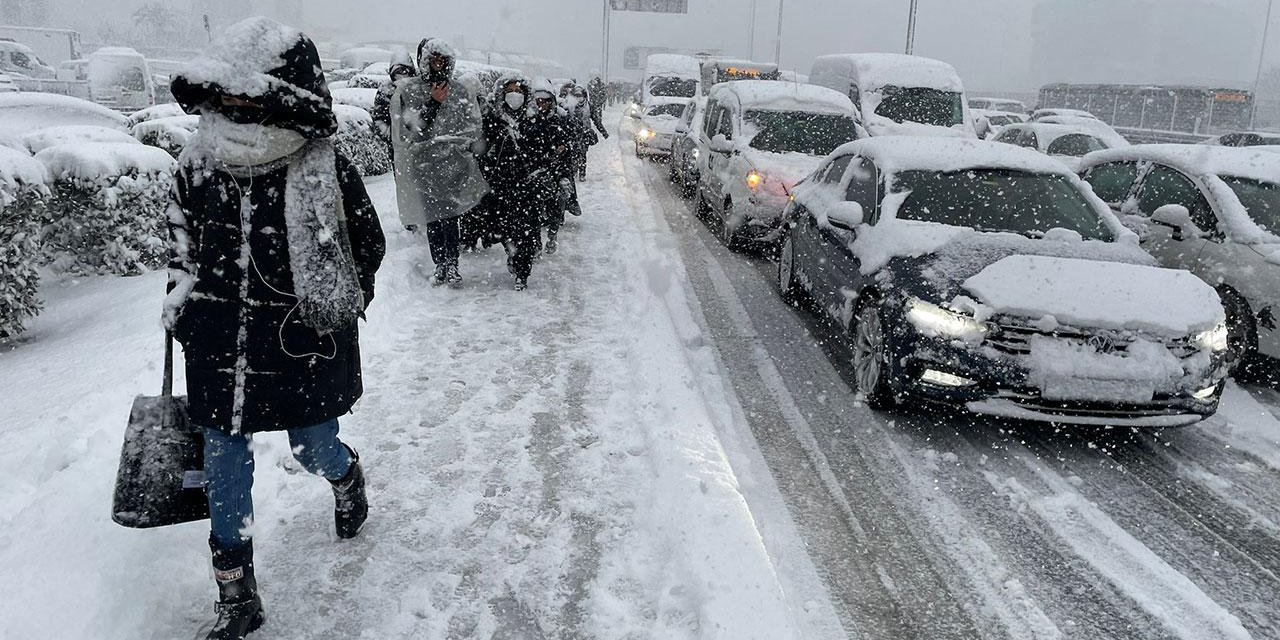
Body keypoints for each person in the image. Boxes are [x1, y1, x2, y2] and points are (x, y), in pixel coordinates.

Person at [165, 17, 386, 640]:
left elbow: (365, 244)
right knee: (224, 464)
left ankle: (345, 476)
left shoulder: (320, 167)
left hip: (300, 341)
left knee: (311, 446)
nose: (234, 107)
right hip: (219, 343)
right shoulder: (199, 162)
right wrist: (183, 300)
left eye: (248, 96)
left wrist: (331, 305)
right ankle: (236, 595)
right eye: (226, 96)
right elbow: (181, 243)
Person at [390, 37, 488, 287]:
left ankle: (452, 264)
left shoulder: (460, 90)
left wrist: (466, 150)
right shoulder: (410, 90)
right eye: (433, 60)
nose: (437, 64)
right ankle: (440, 264)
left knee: (450, 217)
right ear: (424, 61)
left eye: (442, 60)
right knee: (433, 217)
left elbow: (470, 125)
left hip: (453, 165)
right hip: (424, 165)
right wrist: (433, 104)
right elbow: (410, 131)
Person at [480, 74, 555, 290]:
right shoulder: (493, 120)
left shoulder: (534, 121)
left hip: (527, 188)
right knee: (505, 229)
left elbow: (545, 152)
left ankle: (523, 271)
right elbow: (483, 153)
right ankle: (511, 253)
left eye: (519, 91)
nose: (515, 95)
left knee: (528, 232)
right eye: (510, 90)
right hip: (501, 187)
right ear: (503, 94)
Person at [528, 82, 572, 254]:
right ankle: (536, 243)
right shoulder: (529, 120)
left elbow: (568, 144)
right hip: (536, 171)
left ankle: (552, 236)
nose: (542, 104)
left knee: (556, 207)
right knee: (534, 210)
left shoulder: (560, 118)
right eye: (538, 100)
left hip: (557, 170)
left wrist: (562, 151)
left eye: (545, 100)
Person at [372, 52, 416, 158]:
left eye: (405, 72)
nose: (402, 76)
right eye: (398, 73)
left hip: (417, 144)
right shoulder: (386, 90)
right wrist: (390, 135)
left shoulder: (418, 88)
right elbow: (378, 118)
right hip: (396, 147)